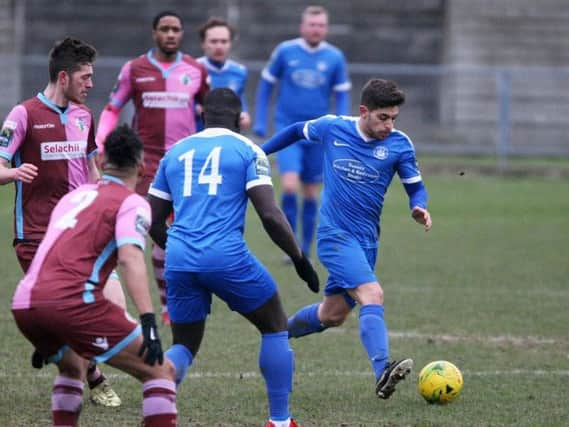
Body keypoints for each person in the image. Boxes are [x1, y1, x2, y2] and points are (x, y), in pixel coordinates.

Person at [147, 88, 320, 427]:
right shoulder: (247, 150)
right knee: (274, 326)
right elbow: (270, 215)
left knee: (183, 346)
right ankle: (280, 421)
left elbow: (150, 218)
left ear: (202, 115)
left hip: (179, 258)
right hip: (226, 256)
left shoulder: (175, 152)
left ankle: (156, 414)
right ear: (240, 119)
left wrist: (177, 249)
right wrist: (299, 258)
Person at [261, 78, 433, 400]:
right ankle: (383, 371)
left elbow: (415, 186)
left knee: (332, 315)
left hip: (366, 242)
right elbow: (297, 130)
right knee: (372, 294)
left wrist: (418, 206)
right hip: (334, 237)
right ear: (364, 111)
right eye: (383, 117)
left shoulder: (399, 145)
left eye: (394, 118)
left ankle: (277, 333)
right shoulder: (332, 128)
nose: (389, 125)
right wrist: (259, 152)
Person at [11, 124, 177, 427]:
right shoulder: (133, 203)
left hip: (26, 301)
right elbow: (129, 258)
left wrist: (45, 323)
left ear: (100, 161)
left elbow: (51, 252)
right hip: (72, 303)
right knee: (161, 371)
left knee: (72, 368)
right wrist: (149, 320)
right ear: (141, 168)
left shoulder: (73, 197)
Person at [0, 37, 122, 407]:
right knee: (66, 310)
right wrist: (13, 172)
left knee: (112, 309)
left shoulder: (85, 116)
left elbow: (89, 165)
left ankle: (52, 343)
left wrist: (101, 193)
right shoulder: (23, 114)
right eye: (85, 77)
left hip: (81, 231)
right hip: (36, 235)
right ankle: (93, 374)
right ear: (64, 77)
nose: (91, 84)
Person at [96, 10, 210, 325]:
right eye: (165, 29)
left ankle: (167, 306)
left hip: (183, 165)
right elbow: (112, 108)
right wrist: (101, 141)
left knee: (173, 235)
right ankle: (117, 301)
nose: (171, 34)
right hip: (142, 166)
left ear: (182, 33)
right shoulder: (134, 69)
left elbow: (209, 111)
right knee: (133, 232)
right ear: (154, 33)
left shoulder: (195, 70)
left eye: (176, 29)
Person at [253, 5, 351, 259]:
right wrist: (261, 119)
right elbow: (266, 85)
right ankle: (291, 244)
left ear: (326, 28)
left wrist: (340, 124)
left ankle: (305, 247)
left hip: (318, 132)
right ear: (302, 27)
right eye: (312, 24)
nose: (316, 29)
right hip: (289, 129)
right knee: (288, 186)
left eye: (320, 25)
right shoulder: (285, 51)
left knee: (310, 192)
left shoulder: (335, 57)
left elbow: (342, 94)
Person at [196, 17, 250, 130]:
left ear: (230, 43)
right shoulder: (193, 69)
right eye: (213, 41)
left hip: (228, 136)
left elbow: (239, 97)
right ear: (203, 44)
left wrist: (244, 113)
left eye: (224, 41)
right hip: (198, 135)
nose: (219, 46)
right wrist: (195, 109)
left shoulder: (239, 71)